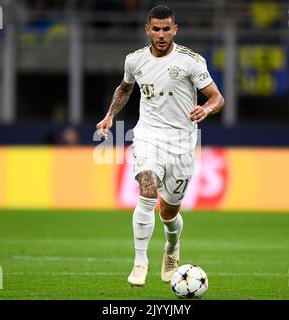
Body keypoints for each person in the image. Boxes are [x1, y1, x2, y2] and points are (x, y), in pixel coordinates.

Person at [96, 5, 225, 287]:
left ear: (175, 30)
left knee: (169, 213)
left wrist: (206, 109)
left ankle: (171, 248)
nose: (162, 34)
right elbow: (125, 89)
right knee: (147, 187)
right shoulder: (135, 60)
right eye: (156, 29)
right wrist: (109, 116)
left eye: (167, 29)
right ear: (148, 30)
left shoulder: (191, 61)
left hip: (181, 143)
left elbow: (217, 97)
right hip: (147, 136)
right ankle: (140, 261)